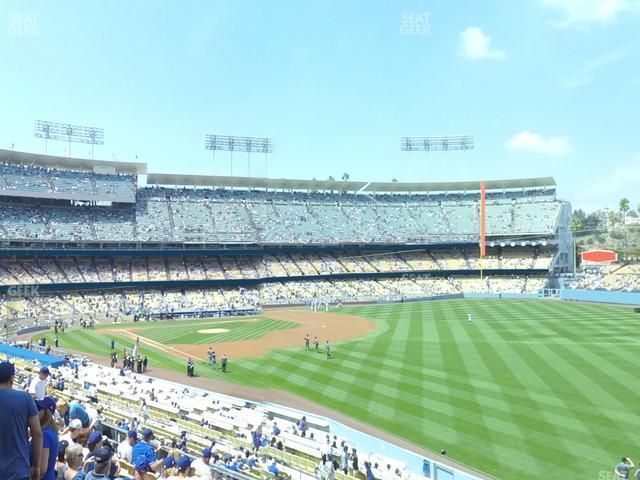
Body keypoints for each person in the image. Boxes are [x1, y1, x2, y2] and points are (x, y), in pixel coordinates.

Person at [0, 361, 43, 480]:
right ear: (12, 378)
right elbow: (37, 433)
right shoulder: (25, 397)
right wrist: (36, 465)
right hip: (18, 470)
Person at [35, 398, 59, 480]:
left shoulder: (45, 434)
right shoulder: (50, 431)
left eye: (38, 409)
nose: (35, 411)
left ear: (45, 413)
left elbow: (42, 469)